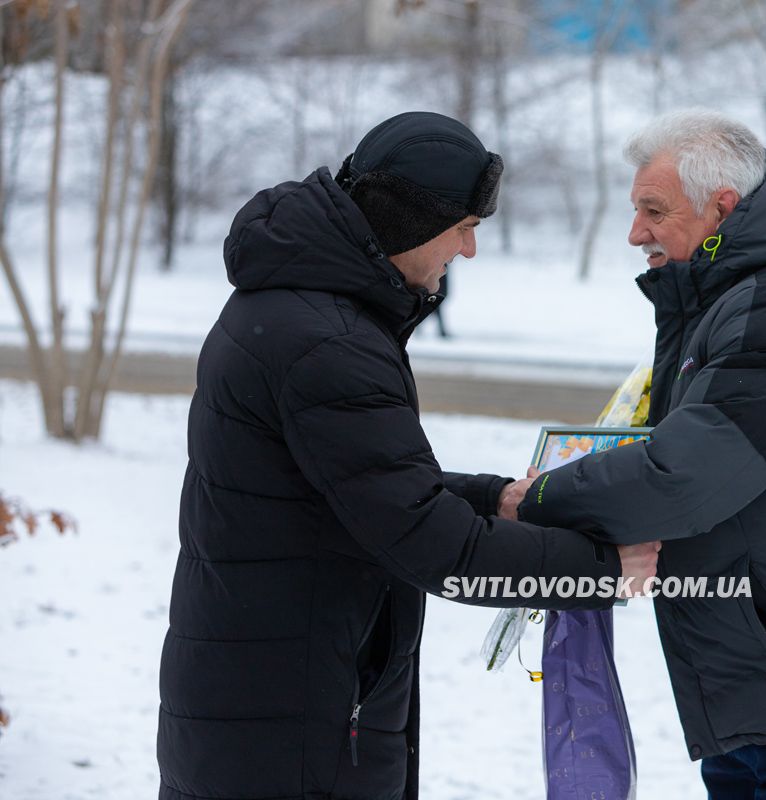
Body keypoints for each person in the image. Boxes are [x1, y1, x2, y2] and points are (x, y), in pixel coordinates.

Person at [156, 112, 658, 800]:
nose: (469, 250)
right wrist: (604, 570)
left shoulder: (301, 307)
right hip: (294, 720)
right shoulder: (327, 341)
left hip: (269, 697)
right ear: (407, 220)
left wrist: (493, 499)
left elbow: (351, 489)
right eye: (464, 227)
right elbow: (429, 545)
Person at [517, 110, 766, 800]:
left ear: (721, 207)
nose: (635, 233)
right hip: (765, 684)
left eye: (653, 210)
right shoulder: (727, 302)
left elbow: (683, 478)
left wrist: (539, 497)